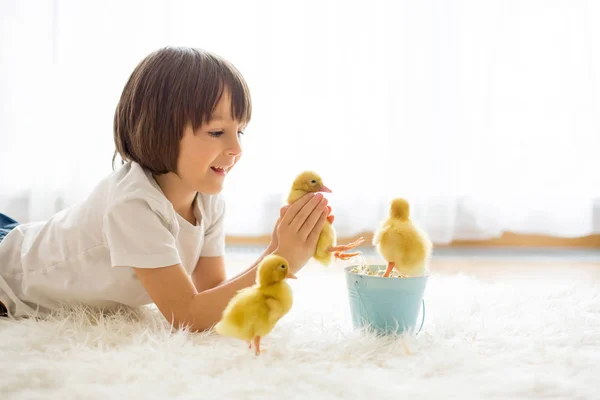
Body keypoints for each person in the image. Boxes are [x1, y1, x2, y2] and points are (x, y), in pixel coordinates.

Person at [0, 46, 333, 329]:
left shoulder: (207, 200)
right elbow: (186, 315)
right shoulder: (133, 205)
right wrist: (283, 257)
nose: (237, 148)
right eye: (217, 132)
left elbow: (212, 292)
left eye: (240, 131)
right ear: (158, 131)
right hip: (10, 271)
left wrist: (274, 251)